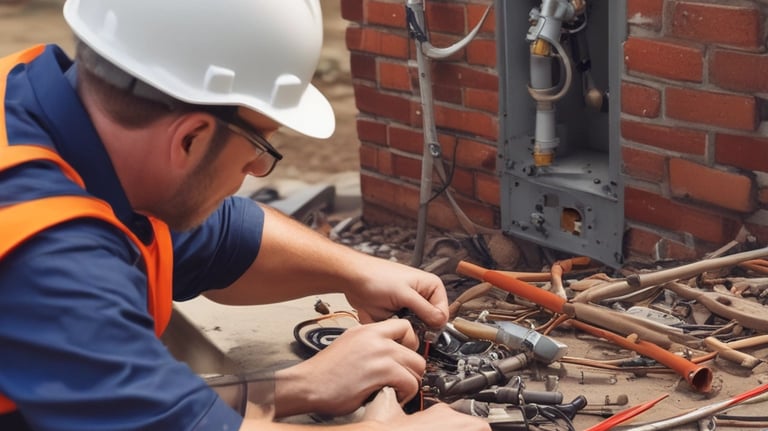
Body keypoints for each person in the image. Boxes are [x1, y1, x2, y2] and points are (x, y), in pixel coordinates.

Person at [0, 0, 490, 430]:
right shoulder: (46, 253)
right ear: (189, 138)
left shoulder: (30, 107)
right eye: (259, 144)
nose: (259, 168)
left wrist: (354, 272)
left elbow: (214, 238)